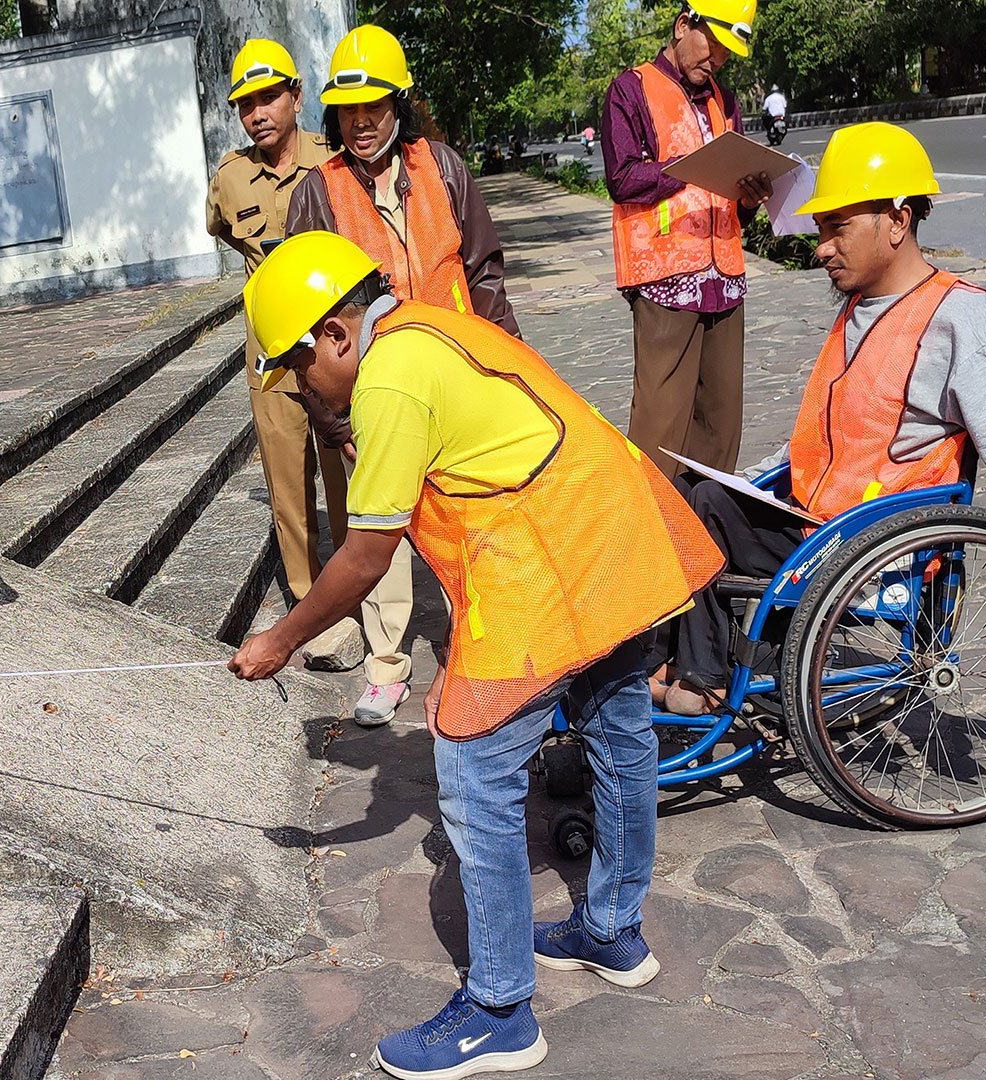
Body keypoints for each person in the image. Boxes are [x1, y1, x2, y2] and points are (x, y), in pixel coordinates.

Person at [228, 232, 722, 1076]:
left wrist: (280, 639)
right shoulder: (422, 327)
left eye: (298, 368)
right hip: (606, 526)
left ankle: (499, 1008)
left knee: (469, 765)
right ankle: (611, 929)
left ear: (335, 335)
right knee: (617, 726)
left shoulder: (387, 382)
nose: (304, 390)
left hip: (551, 561)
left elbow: (363, 556)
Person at [659, 122, 986, 717]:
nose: (821, 246)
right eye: (820, 228)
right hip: (821, 524)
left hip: (879, 550)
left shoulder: (962, 323)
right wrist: (750, 481)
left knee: (703, 516)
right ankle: (685, 670)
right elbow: (835, 438)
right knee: (688, 500)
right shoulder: (859, 307)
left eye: (837, 227)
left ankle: (702, 684)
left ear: (899, 221)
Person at [286, 23, 522, 727]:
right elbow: (305, 323)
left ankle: (475, 652)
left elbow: (483, 271)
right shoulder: (317, 195)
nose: (361, 122)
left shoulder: (442, 167)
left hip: (455, 383)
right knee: (378, 533)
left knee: (466, 516)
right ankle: (387, 667)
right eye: (348, 111)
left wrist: (510, 365)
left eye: (375, 106)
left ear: (400, 102)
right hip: (375, 394)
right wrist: (334, 423)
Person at [205, 39, 360, 663]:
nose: (259, 113)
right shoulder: (230, 177)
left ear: (297, 96)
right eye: (247, 104)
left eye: (270, 97)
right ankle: (306, 595)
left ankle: (354, 592)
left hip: (331, 334)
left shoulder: (333, 160)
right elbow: (221, 228)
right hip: (271, 345)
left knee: (344, 457)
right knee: (285, 472)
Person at [601, 0, 773, 478]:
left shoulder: (727, 100)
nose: (716, 60)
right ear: (683, 26)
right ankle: (653, 539)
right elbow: (622, 177)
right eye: (713, 46)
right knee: (660, 429)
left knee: (721, 428)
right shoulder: (630, 90)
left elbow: (732, 195)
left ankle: (706, 537)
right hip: (665, 281)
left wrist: (750, 197)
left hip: (726, 281)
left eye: (725, 54)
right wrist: (689, 170)